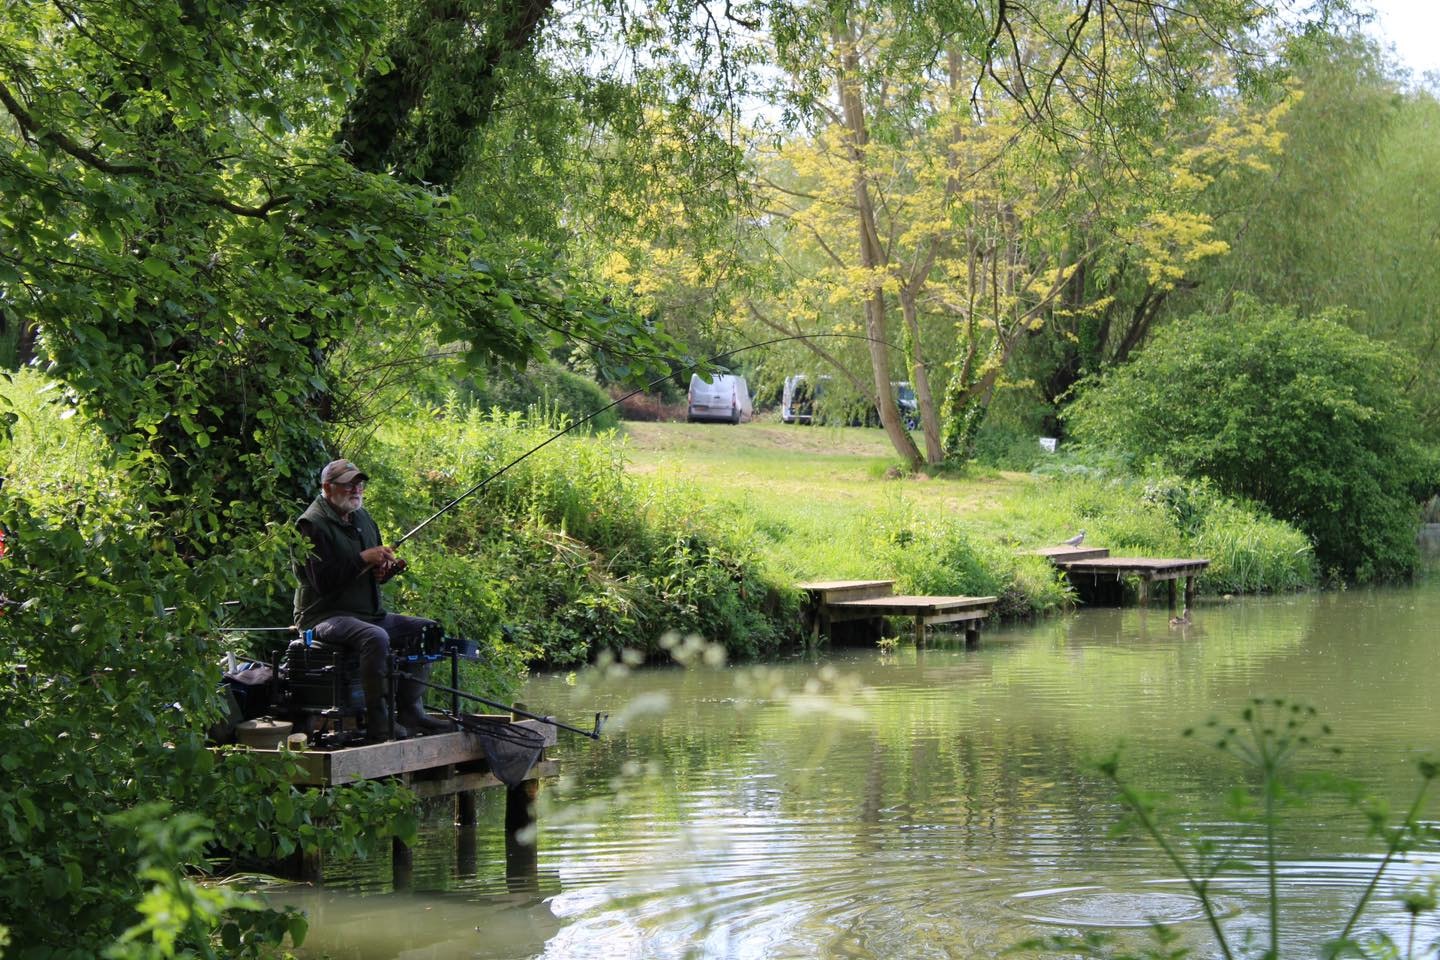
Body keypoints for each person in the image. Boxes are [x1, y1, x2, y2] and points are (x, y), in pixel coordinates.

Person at [292, 459, 452, 741]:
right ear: (328, 488)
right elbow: (323, 582)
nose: (356, 490)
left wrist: (384, 570)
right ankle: (379, 723)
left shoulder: (362, 518)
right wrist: (364, 558)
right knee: (374, 637)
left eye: (359, 484)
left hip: (367, 613)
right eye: (348, 484)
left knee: (427, 629)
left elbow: (368, 574)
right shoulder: (311, 524)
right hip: (323, 616)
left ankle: (411, 712)